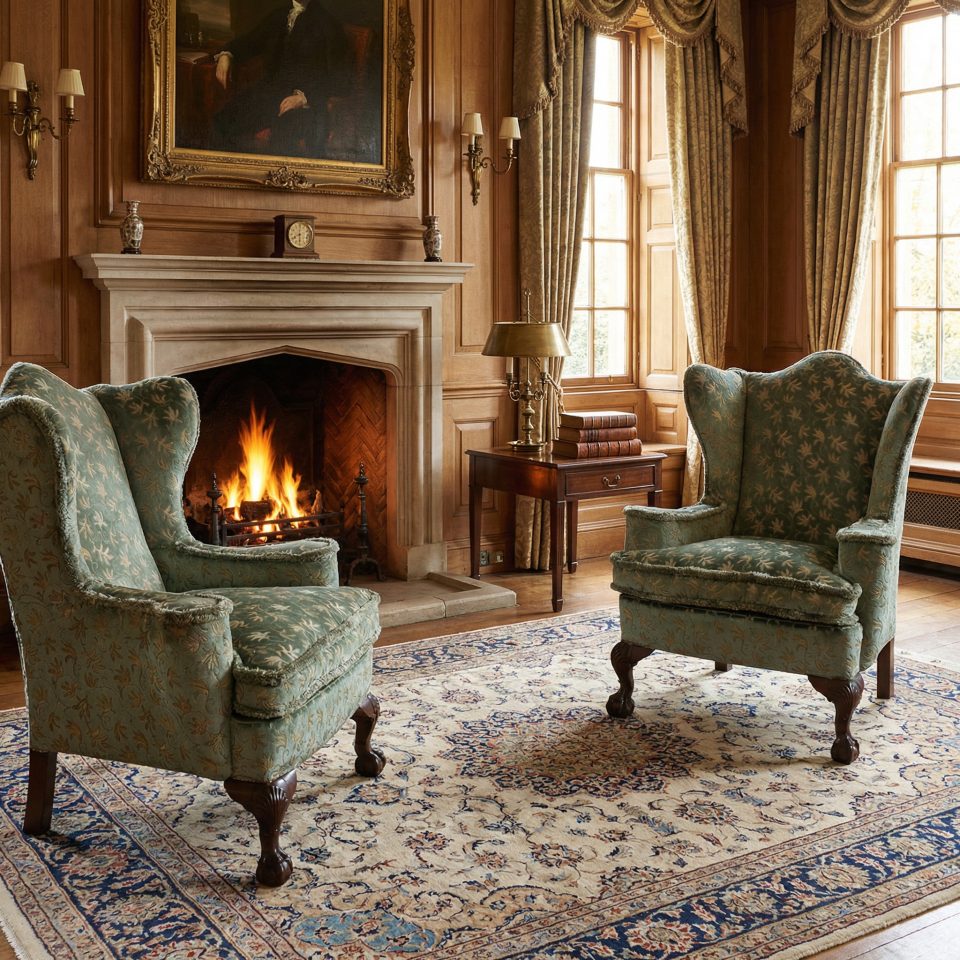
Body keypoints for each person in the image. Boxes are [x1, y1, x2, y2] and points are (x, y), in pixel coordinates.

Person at [211, 0, 349, 158]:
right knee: (222, 121)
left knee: (281, 139)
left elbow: (340, 78)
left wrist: (304, 98)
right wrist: (227, 54)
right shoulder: (279, 15)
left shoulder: (328, 23)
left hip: (308, 104)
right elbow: (250, 41)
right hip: (270, 94)